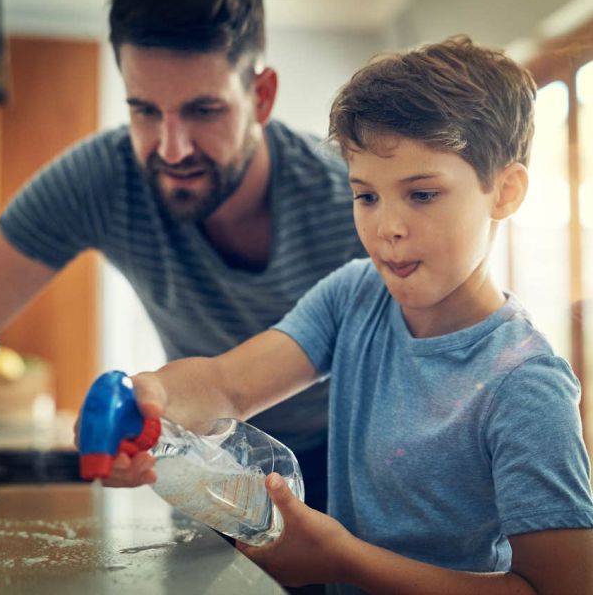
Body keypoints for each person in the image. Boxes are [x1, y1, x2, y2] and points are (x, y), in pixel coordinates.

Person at [94, 36, 593, 594]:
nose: (387, 228)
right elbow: (226, 384)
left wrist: (342, 560)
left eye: (422, 195)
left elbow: (559, 588)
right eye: (367, 196)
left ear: (504, 192)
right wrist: (152, 402)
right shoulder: (357, 294)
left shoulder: (525, 383)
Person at [0, 0, 365, 515]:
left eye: (203, 110)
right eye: (144, 110)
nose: (171, 149)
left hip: (351, 463)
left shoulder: (355, 202)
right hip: (206, 462)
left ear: (260, 96)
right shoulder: (101, 178)